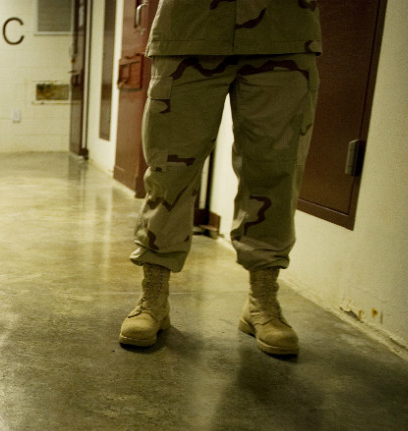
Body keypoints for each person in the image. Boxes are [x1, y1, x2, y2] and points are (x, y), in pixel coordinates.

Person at [119, 0, 321, 356]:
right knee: (169, 170)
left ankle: (262, 300)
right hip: (188, 27)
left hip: (284, 29)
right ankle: (154, 297)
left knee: (276, 169)